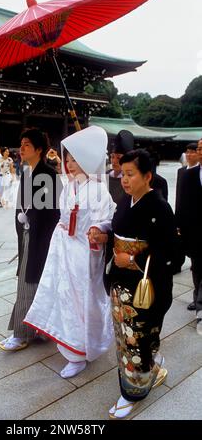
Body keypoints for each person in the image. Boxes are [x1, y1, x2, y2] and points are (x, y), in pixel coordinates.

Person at [24, 126, 115, 378]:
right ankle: (71, 349)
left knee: (82, 300)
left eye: (75, 159)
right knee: (62, 296)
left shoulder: (99, 189)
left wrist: (98, 229)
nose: (70, 164)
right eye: (68, 159)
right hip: (64, 247)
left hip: (85, 252)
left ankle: (83, 347)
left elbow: (106, 219)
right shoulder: (69, 186)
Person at [101, 149, 176, 419]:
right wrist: (104, 237)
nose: (124, 179)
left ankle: (132, 393)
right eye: (122, 174)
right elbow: (117, 232)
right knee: (125, 338)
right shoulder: (125, 202)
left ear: (148, 176)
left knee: (137, 341)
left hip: (145, 287)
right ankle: (152, 369)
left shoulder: (160, 208)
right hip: (122, 285)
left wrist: (132, 259)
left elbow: (173, 254)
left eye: (130, 174)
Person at [0, 128, 61, 351]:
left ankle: (21, 334)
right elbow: (21, 208)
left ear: (39, 149)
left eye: (26, 144)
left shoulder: (48, 175)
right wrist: (23, 225)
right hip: (28, 236)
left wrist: (33, 228)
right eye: (21, 144)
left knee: (28, 282)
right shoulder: (28, 173)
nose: (21, 148)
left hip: (40, 238)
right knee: (34, 282)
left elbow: (51, 214)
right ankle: (40, 329)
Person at [176, 139, 202, 334]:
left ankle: (200, 306)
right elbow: (182, 202)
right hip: (195, 230)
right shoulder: (188, 174)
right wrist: (179, 226)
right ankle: (196, 297)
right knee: (196, 267)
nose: (199, 152)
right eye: (199, 148)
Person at [174, 143, 198, 275]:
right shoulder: (181, 171)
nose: (189, 155)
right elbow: (179, 194)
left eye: (192, 152)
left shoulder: (197, 173)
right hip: (182, 213)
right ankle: (178, 263)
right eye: (187, 152)